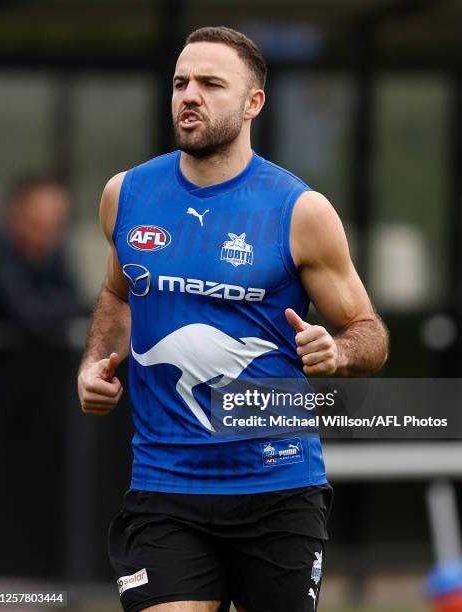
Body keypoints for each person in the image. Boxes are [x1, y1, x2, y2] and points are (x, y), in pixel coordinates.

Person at [77, 26, 388, 612]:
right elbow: (119, 295)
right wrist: (96, 362)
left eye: (210, 84)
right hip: (164, 486)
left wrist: (339, 351)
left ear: (253, 103)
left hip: (277, 487)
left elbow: (367, 330)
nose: (189, 94)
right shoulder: (127, 194)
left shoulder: (301, 211)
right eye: (180, 82)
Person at [0, 176, 82, 344]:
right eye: (38, 225)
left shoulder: (52, 247)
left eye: (57, 226)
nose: (48, 236)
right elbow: (30, 315)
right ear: (16, 216)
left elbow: (75, 301)